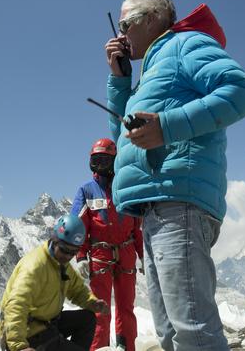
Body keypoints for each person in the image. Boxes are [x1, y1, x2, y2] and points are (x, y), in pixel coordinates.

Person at [103, 0, 245, 351]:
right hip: (156, 205)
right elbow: (125, 143)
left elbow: (240, 91)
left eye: (125, 24)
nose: (120, 35)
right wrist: (120, 82)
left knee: (193, 331)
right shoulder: (152, 69)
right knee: (171, 333)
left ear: (153, 17)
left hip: (178, 201)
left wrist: (167, 127)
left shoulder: (185, 44)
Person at [0, 214, 110, 351]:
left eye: (73, 252)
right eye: (64, 250)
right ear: (54, 241)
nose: (67, 256)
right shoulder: (35, 267)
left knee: (87, 319)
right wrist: (19, 346)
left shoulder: (60, 263)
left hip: (46, 323)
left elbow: (77, 290)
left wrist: (93, 303)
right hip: (27, 332)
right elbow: (16, 305)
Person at [71, 138, 144, 351]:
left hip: (127, 252)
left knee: (126, 308)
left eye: (104, 160)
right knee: (99, 309)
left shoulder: (127, 190)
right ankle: (99, 349)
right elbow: (77, 225)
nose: (99, 165)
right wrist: (81, 255)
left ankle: (126, 347)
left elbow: (137, 228)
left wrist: (143, 256)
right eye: (95, 160)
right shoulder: (86, 191)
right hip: (99, 255)